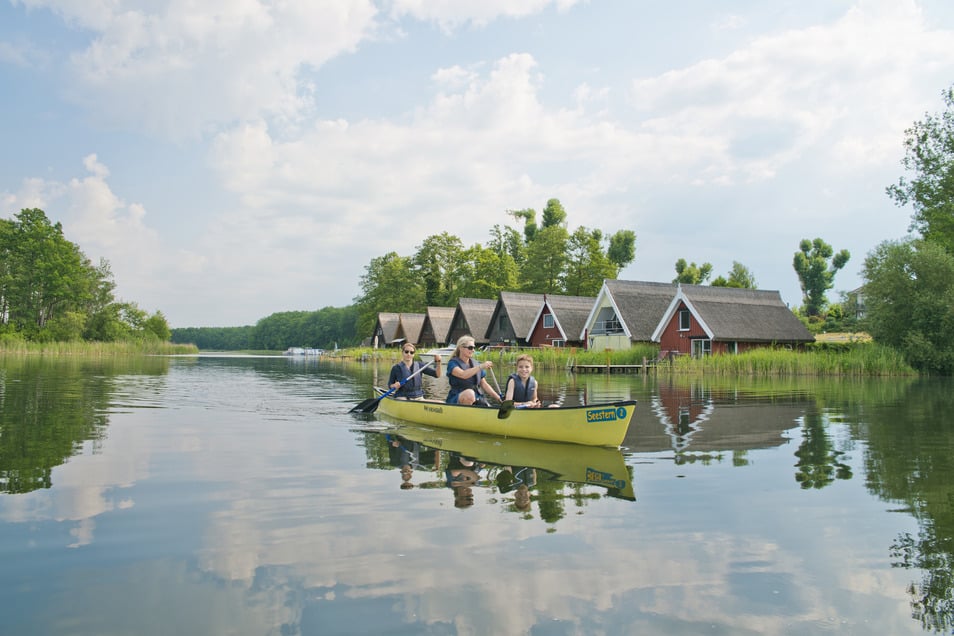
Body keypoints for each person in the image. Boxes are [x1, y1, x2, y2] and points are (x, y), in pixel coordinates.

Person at [445, 335, 501, 405]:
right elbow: (463, 375)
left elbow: (484, 384)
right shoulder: (452, 363)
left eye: (474, 348)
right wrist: (481, 366)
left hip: (476, 397)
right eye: (470, 348)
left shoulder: (475, 364)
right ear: (461, 348)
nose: (473, 350)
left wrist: (498, 398)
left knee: (483, 402)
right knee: (469, 394)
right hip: (456, 398)